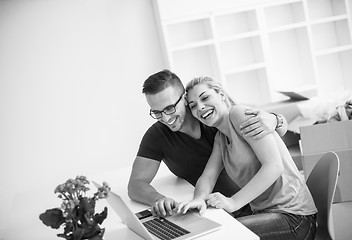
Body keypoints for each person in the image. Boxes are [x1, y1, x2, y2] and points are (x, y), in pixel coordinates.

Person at [127, 69, 288, 217]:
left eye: (170, 108)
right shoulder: (158, 135)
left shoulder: (212, 116)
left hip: (254, 203)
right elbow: (135, 184)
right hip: (215, 207)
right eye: (157, 112)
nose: (166, 118)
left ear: (184, 98)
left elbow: (272, 134)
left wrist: (276, 119)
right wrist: (159, 199)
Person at [177, 76, 317, 240]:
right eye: (193, 106)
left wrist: (233, 202)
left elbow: (274, 166)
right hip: (267, 213)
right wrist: (199, 199)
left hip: (294, 217)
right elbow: (208, 176)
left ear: (221, 94)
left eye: (205, 97)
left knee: (223, 234)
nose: (200, 107)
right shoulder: (220, 138)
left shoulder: (239, 114)